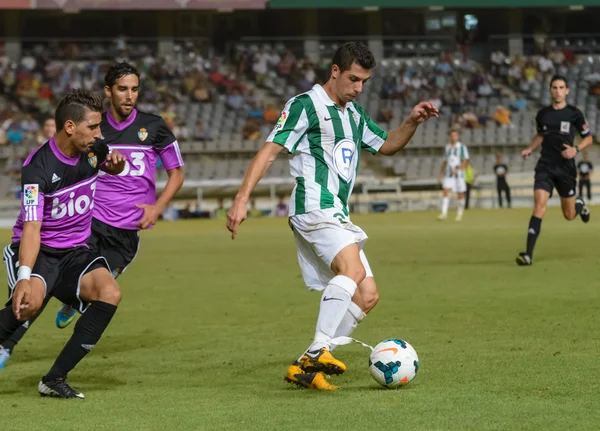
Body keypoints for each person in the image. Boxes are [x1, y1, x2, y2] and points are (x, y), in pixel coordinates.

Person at [226, 42, 438, 390]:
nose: (359, 88)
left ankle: (306, 365)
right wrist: (241, 198)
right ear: (335, 71)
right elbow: (269, 150)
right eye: (353, 79)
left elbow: (387, 144)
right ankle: (318, 351)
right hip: (313, 205)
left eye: (365, 82)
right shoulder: (305, 105)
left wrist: (412, 121)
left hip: (336, 211)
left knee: (367, 295)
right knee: (352, 272)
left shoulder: (353, 115)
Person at [0, 62, 185, 367]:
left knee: (103, 292)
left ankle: (57, 361)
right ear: (108, 91)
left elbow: (166, 171)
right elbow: (37, 213)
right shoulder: (74, 142)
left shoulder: (150, 127)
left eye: (135, 89)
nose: (129, 95)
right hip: (84, 228)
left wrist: (154, 203)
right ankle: (10, 343)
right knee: (34, 296)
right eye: (123, 88)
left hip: (122, 231)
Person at [0, 89, 127, 398]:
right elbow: (31, 227)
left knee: (109, 293)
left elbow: (111, 166)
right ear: (70, 127)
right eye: (93, 126)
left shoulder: (96, 149)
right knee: (26, 307)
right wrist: (25, 276)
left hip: (75, 251)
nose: (99, 133)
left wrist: (116, 165)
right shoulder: (37, 169)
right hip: (39, 249)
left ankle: (53, 379)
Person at [517, 75, 592, 266]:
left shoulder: (574, 114)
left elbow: (588, 138)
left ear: (566, 90)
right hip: (545, 167)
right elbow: (541, 135)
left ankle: (579, 203)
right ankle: (528, 254)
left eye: (561, 88)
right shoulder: (543, 114)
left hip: (566, 169)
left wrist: (576, 149)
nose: (558, 91)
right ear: (550, 90)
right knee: (539, 205)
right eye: (554, 87)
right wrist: (529, 148)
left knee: (568, 216)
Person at [437, 128, 470, 221]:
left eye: (455, 135)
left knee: (460, 193)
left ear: (458, 136)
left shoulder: (462, 147)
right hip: (448, 174)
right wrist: (441, 173)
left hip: (459, 174)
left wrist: (458, 169)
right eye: (452, 135)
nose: (454, 137)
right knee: (445, 191)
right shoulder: (447, 147)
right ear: (449, 137)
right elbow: (445, 161)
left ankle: (460, 213)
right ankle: (444, 213)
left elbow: (465, 161)